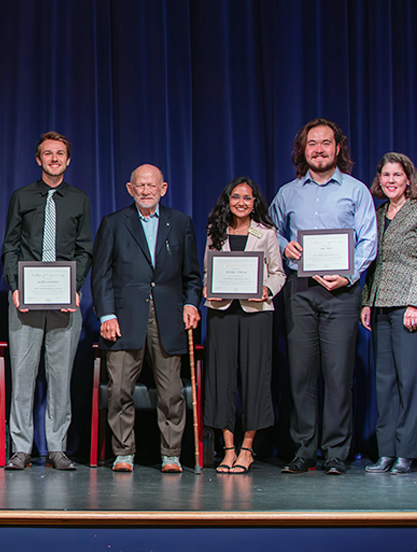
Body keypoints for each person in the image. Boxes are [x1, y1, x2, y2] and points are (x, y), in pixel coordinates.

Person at [268, 118, 377, 475]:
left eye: (325, 143)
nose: (318, 149)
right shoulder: (288, 192)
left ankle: (335, 452)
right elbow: (270, 231)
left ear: (337, 148)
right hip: (300, 290)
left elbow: (368, 239)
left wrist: (348, 274)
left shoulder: (356, 190)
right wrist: (287, 247)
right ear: (303, 150)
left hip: (342, 293)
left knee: (338, 374)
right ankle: (303, 449)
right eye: (312, 143)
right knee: (300, 374)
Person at [90, 164, 201, 474]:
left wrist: (193, 304)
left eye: (152, 186)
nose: (146, 191)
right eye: (140, 185)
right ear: (130, 189)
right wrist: (107, 314)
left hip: (169, 319)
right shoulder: (113, 223)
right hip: (124, 319)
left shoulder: (180, 223)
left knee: (171, 393)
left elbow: (192, 275)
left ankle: (171, 455)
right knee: (120, 390)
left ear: (163, 189)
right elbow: (100, 276)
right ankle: (123, 453)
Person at [1, 131, 93, 471]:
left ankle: (57, 447)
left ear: (68, 161)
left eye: (60, 154)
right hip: (25, 300)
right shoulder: (22, 197)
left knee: (60, 377)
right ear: (38, 160)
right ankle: (21, 448)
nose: (54, 159)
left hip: (64, 301)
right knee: (22, 377)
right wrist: (14, 287)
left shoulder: (79, 199)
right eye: (47, 154)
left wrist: (76, 286)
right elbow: (10, 246)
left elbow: (85, 249)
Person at [202, 177, 285, 474]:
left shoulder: (266, 234)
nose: (241, 202)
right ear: (228, 200)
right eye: (235, 197)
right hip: (221, 313)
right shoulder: (216, 232)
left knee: (255, 379)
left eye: (247, 198)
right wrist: (207, 288)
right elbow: (207, 272)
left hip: (256, 313)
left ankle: (247, 449)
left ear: (255, 203)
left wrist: (267, 289)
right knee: (221, 380)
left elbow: (278, 273)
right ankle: (227, 449)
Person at [360, 152, 417, 475]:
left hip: (407, 306)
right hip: (380, 303)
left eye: (397, 175)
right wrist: (367, 302)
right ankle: (386, 452)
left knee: (408, 381)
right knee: (384, 382)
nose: (391, 181)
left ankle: (406, 452)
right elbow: (373, 264)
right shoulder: (378, 214)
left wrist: (415, 302)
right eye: (386, 175)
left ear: (408, 178)